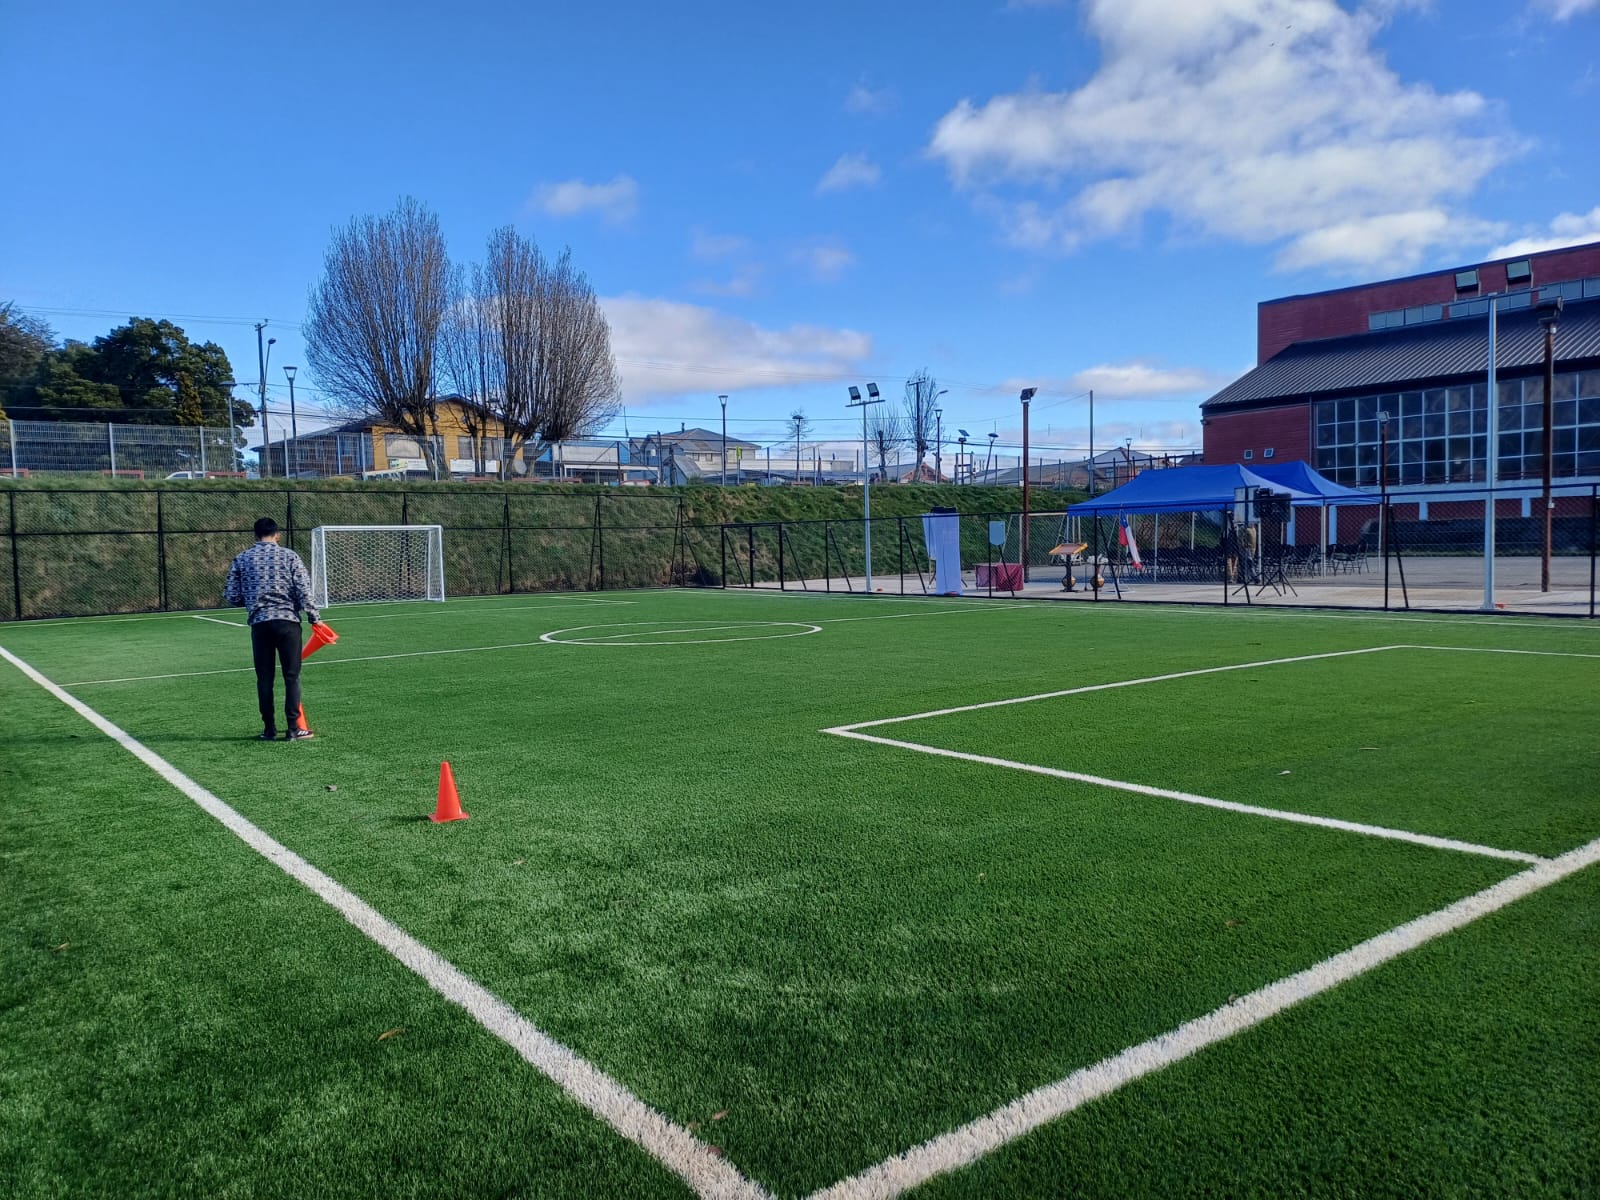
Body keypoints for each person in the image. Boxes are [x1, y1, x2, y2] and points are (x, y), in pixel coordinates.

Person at [224, 517, 322, 741]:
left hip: (260, 623)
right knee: (292, 676)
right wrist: (314, 617)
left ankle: (269, 729)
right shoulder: (289, 556)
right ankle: (293, 728)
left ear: (255, 535)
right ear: (277, 534)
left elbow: (231, 596)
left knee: (265, 678)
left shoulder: (242, 559)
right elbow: (303, 590)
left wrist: (250, 600)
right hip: (287, 621)